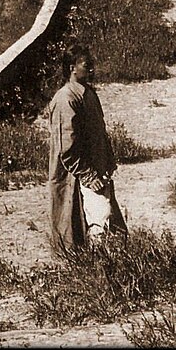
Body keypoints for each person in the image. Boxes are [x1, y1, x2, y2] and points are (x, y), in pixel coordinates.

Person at [47, 44, 127, 252]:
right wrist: (88, 175)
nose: (92, 68)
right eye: (86, 64)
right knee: (76, 227)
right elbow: (67, 148)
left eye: (92, 63)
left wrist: (107, 161)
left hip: (96, 171)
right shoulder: (66, 98)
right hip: (75, 174)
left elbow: (100, 133)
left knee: (104, 223)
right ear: (72, 68)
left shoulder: (89, 94)